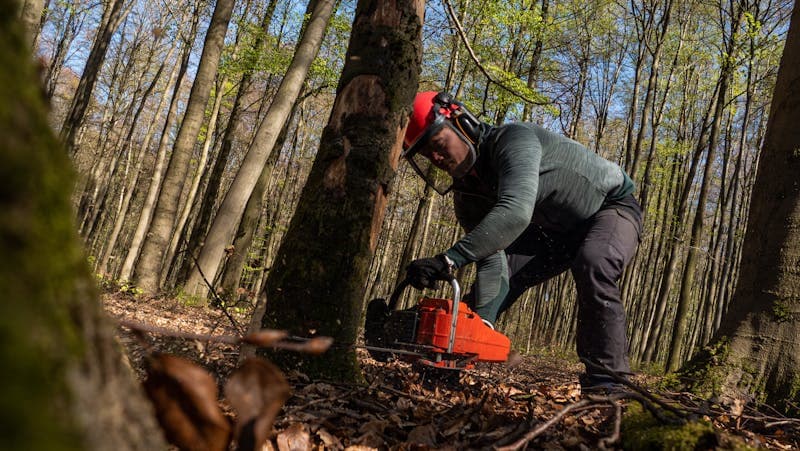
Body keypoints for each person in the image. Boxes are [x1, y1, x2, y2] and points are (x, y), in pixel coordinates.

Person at [402, 91, 642, 391]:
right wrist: (485, 321)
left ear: (463, 123)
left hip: (610, 207)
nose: (436, 158)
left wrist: (448, 259)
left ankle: (609, 382)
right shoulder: (467, 196)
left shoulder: (514, 140)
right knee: (496, 284)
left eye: (438, 145)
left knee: (594, 262)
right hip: (554, 233)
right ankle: (449, 361)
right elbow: (492, 256)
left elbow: (515, 212)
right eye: (426, 155)